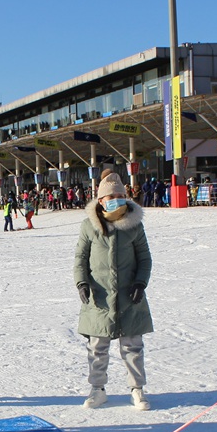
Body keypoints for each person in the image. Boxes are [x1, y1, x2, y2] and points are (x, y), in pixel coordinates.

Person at [74, 171, 153, 411]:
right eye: (111, 196)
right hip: (99, 297)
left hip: (129, 296)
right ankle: (97, 390)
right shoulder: (89, 226)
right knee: (97, 347)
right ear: (101, 200)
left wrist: (140, 283)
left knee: (132, 347)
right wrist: (82, 283)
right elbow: (80, 258)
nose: (117, 199)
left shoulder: (134, 225)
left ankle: (137, 389)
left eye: (120, 195)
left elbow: (145, 258)